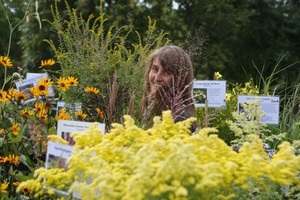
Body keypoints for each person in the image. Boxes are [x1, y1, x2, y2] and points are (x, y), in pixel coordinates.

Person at [140, 45, 198, 132]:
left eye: (167, 72)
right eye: (155, 69)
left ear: (180, 79)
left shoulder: (180, 119)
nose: (157, 78)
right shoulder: (153, 106)